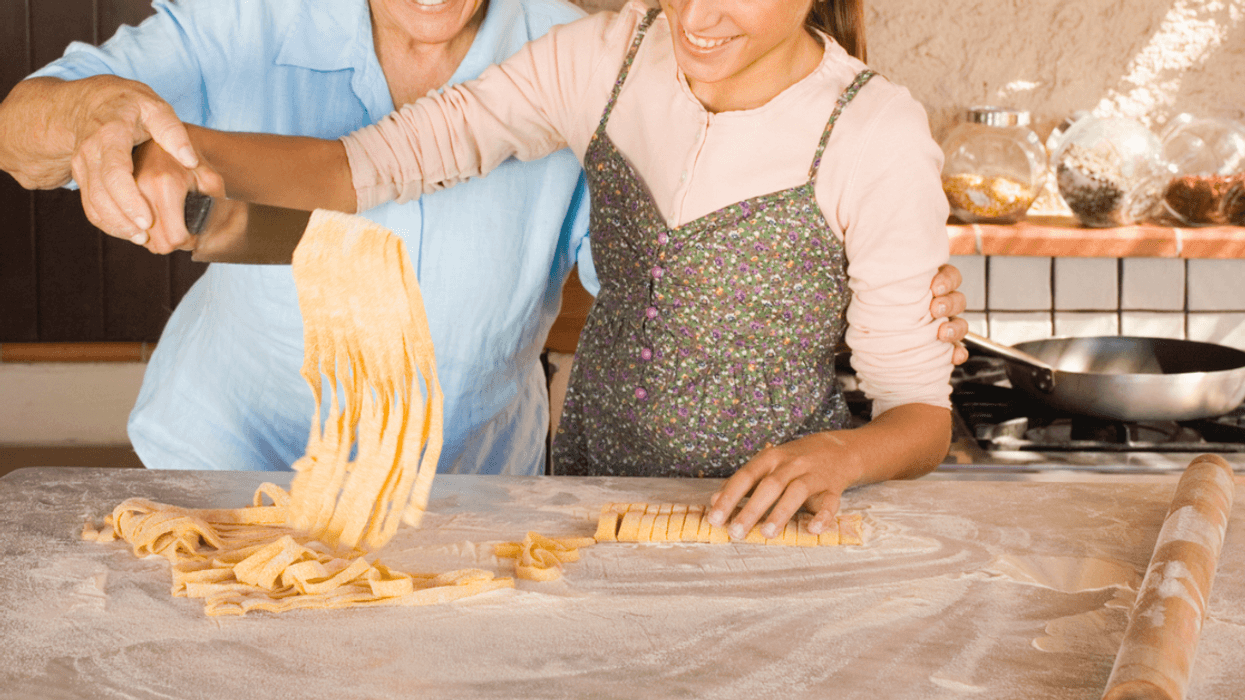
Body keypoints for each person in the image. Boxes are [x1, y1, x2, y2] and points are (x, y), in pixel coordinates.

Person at [0, 0, 969, 480]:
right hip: (234, 450)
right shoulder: (246, 15)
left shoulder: (585, 51)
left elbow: (657, 282)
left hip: (473, 476)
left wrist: (854, 301)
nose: (703, 15)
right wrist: (142, 133)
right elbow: (356, 167)